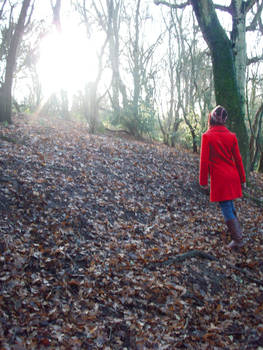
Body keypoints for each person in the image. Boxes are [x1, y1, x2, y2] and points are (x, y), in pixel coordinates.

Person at [199, 105, 246, 249]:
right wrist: (242, 179)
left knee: (226, 206)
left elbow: (204, 160)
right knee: (229, 204)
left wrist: (203, 181)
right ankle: (237, 234)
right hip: (232, 176)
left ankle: (237, 239)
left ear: (211, 118)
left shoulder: (207, 136)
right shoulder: (231, 136)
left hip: (220, 178)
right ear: (224, 120)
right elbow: (238, 159)